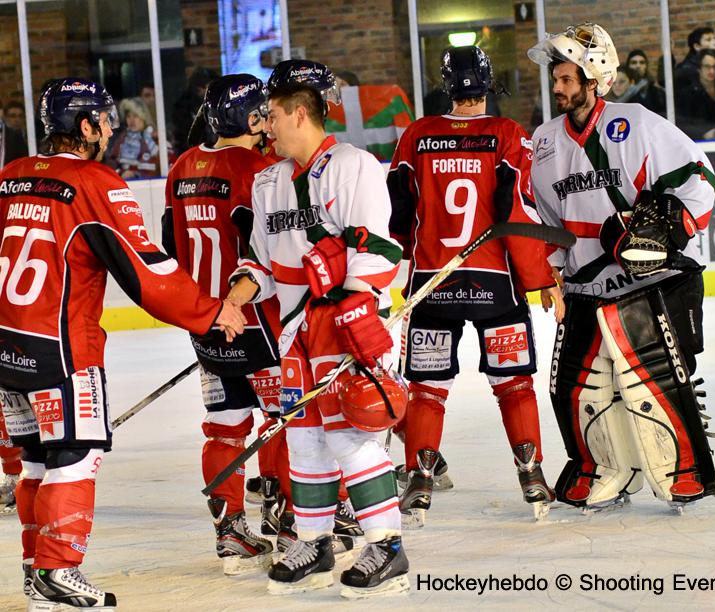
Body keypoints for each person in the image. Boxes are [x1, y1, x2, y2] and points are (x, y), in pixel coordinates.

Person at [0, 77, 246, 610]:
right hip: (63, 351)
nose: (110, 129)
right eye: (104, 120)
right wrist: (210, 312)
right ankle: (57, 572)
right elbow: (147, 273)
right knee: (75, 457)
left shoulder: (11, 176)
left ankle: (35, 571)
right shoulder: (94, 182)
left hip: (7, 349)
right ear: (85, 125)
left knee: (35, 461)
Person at [227, 63, 410, 598]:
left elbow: (378, 247)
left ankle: (386, 545)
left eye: (272, 114)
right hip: (295, 335)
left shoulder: (354, 166)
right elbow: (261, 263)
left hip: (347, 326)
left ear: (299, 113)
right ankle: (315, 543)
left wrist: (354, 312)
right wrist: (235, 299)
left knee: (351, 436)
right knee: (304, 440)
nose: (266, 126)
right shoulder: (267, 182)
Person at [527, 23, 715, 512]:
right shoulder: (545, 141)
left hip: (651, 282)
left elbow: (699, 179)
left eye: (567, 79)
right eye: (556, 78)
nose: (557, 88)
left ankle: (680, 471)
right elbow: (546, 219)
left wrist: (668, 229)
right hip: (585, 286)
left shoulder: (637, 122)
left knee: (652, 383)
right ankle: (604, 471)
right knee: (577, 388)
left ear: (595, 79)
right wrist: (554, 275)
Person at [387, 45, 563, 528]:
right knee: (514, 384)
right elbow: (517, 211)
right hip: (495, 284)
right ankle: (531, 473)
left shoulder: (416, 135)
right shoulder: (507, 134)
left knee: (427, 388)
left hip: (432, 283)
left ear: (446, 85)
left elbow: (398, 211)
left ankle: (420, 479)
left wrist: (405, 260)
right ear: (489, 82)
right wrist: (539, 278)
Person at [162, 73, 291, 576]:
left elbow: (170, 246)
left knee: (224, 428)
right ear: (252, 117)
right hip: (257, 320)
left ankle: (230, 530)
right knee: (283, 421)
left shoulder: (181, 167)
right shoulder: (258, 170)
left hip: (206, 323)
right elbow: (268, 251)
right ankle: (286, 520)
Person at [676, 49, 715, 140]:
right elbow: (682, 123)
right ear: (699, 68)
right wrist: (701, 133)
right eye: (707, 66)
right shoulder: (688, 93)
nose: (712, 71)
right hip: (699, 141)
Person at [106, 97, 159, 179]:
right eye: (128, 116)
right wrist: (121, 173)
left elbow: (164, 166)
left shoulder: (155, 138)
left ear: (143, 116)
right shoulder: (122, 139)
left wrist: (138, 174)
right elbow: (111, 163)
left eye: (135, 116)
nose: (132, 120)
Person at [625, 49, 666, 114]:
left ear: (646, 66)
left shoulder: (654, 90)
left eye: (642, 62)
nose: (638, 66)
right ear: (628, 66)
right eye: (634, 63)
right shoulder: (621, 87)